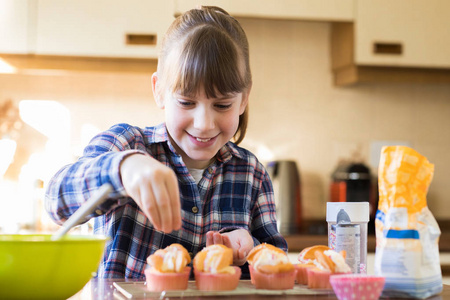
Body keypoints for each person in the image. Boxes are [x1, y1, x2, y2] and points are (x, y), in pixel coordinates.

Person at [45, 6, 287, 279]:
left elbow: (277, 265)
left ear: (244, 99)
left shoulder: (252, 174)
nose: (204, 123)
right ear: (159, 91)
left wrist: (249, 247)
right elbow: (55, 200)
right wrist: (124, 169)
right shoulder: (127, 144)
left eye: (222, 105)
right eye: (186, 102)